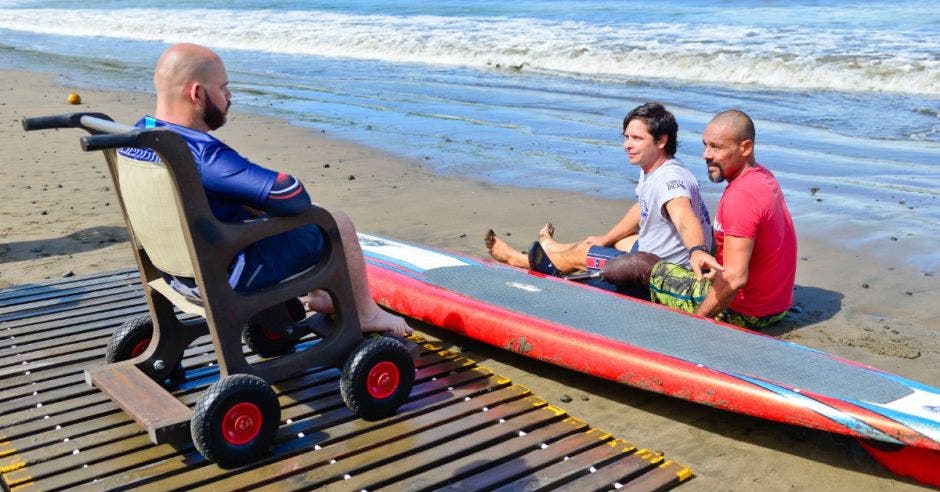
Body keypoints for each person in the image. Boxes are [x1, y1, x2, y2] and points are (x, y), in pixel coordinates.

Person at [121, 43, 411, 336]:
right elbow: (291, 195)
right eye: (223, 88)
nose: (229, 96)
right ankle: (365, 313)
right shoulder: (200, 154)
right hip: (224, 276)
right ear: (197, 94)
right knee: (334, 222)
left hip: (174, 272)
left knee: (262, 208)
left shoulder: (137, 133)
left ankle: (322, 297)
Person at [485, 102, 721, 294]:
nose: (628, 145)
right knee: (616, 241)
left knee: (582, 253)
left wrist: (697, 251)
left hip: (659, 274)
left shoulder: (669, 179)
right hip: (657, 254)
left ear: (661, 140)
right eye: (626, 137)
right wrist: (605, 238)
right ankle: (554, 248)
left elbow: (683, 217)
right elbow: (643, 207)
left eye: (637, 139)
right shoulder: (655, 167)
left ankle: (519, 260)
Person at [648, 109, 797, 329]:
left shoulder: (741, 197)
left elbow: (735, 279)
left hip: (745, 313)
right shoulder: (763, 176)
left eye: (717, 147)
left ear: (745, 147)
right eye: (705, 145)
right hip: (777, 307)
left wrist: (696, 322)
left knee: (645, 266)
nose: (706, 155)